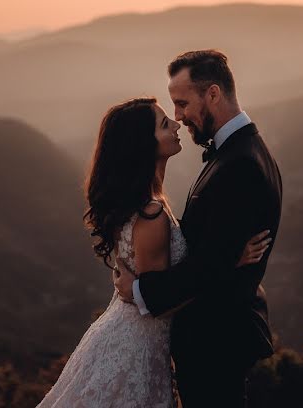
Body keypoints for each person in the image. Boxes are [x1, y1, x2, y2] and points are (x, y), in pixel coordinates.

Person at [37, 96, 270, 408]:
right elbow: (162, 299)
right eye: (164, 124)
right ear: (143, 145)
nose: (176, 125)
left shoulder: (144, 202)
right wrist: (229, 262)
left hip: (135, 337)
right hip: (136, 346)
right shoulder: (151, 213)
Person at [114, 49, 283, 408]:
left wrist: (140, 290)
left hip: (216, 341)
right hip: (212, 340)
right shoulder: (238, 153)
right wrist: (229, 257)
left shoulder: (240, 165)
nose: (178, 117)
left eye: (182, 103)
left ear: (213, 94)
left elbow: (207, 266)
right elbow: (213, 254)